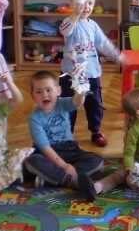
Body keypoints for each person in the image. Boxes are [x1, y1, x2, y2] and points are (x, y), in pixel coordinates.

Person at [59, 0, 125, 147]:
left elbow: (103, 43)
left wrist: (117, 57)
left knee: (95, 105)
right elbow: (65, 32)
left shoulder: (93, 25)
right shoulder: (68, 22)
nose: (86, 6)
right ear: (72, 3)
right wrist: (75, 14)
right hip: (70, 75)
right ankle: (66, 135)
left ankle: (96, 131)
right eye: (81, 2)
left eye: (90, 3)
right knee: (69, 105)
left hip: (92, 74)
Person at [23, 70, 103, 199]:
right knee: (32, 160)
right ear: (32, 96)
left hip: (70, 149)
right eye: (38, 92)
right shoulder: (34, 119)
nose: (44, 95)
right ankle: (73, 181)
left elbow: (78, 102)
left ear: (58, 91)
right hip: (48, 154)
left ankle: (52, 179)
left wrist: (81, 90)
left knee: (97, 160)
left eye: (48, 90)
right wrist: (63, 165)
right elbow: (45, 147)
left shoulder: (62, 103)